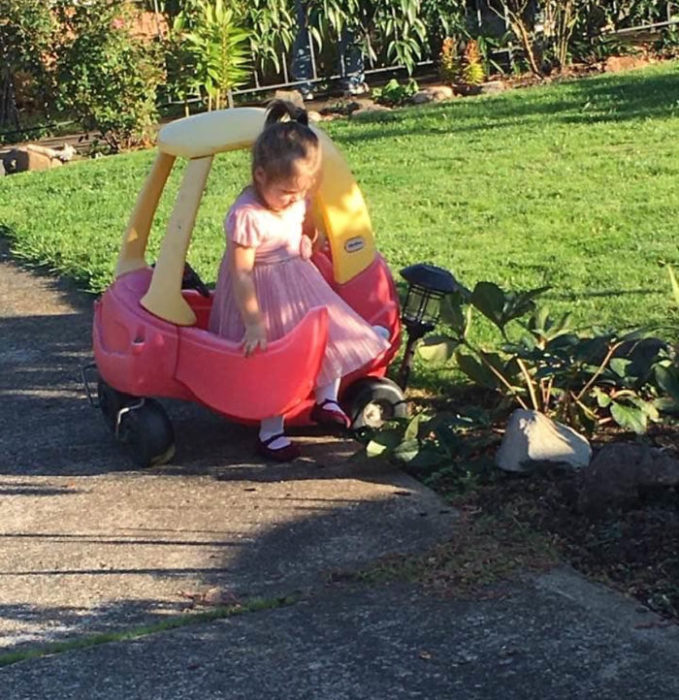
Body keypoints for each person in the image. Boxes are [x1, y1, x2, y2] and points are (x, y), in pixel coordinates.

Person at [209, 100, 390, 461]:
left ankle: (327, 400)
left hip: (297, 281)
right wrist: (254, 322)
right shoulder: (247, 215)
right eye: (286, 193)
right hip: (262, 293)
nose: (292, 199)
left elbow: (303, 219)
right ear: (260, 175)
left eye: (299, 193)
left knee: (329, 333)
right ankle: (270, 432)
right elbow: (240, 271)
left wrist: (309, 238)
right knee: (278, 357)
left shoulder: (295, 199)